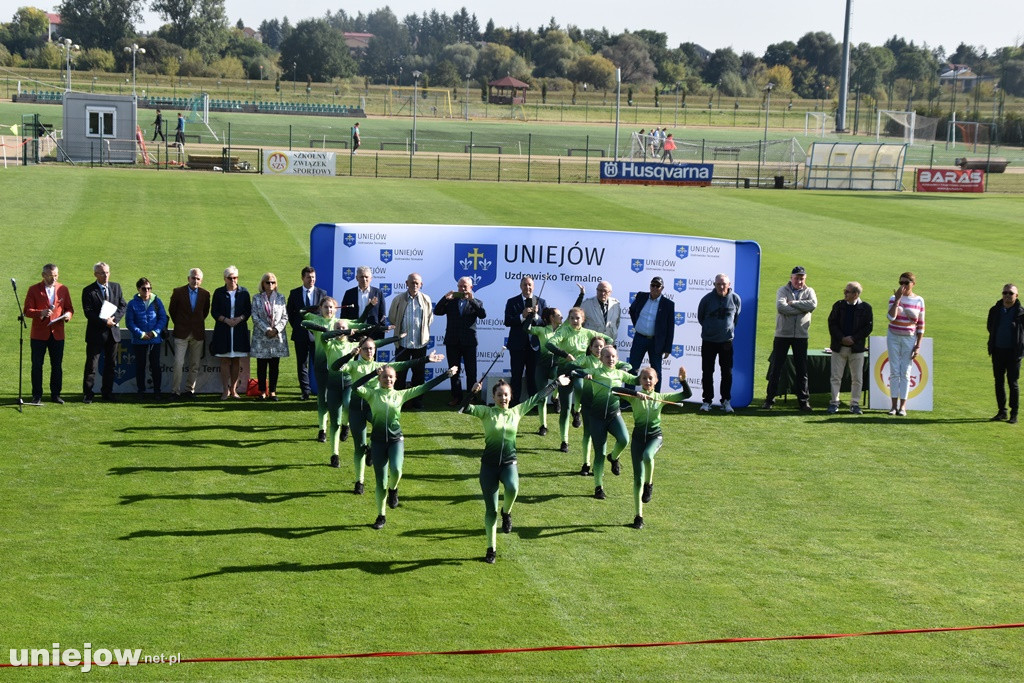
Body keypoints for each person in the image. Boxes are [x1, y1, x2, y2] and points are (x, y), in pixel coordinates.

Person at [460, 376, 566, 564]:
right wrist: (472, 393)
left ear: (511, 396)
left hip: (509, 463)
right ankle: (491, 548)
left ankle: (507, 512)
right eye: (499, 395)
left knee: (513, 489)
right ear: (493, 397)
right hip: (489, 467)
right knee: (490, 511)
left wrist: (556, 383)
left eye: (506, 395)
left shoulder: (517, 412)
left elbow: (536, 397)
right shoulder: (485, 412)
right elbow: (463, 408)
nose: (503, 398)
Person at [352, 365, 459, 529]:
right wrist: (373, 373)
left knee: (396, 470)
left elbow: (424, 387)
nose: (387, 379)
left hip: (396, 440)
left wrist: (446, 375)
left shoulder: (401, 395)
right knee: (380, 483)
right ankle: (381, 516)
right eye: (384, 377)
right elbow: (355, 386)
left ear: (395, 379)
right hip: (378, 442)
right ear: (379, 379)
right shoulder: (372, 394)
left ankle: (393, 489)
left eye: (390, 377)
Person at [336, 336, 441, 493]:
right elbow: (335, 367)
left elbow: (403, 364)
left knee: (382, 429)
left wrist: (426, 359)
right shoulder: (354, 365)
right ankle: (359, 481)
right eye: (365, 349)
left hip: (373, 409)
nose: (369, 351)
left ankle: (372, 447)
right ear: (360, 350)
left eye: (372, 348)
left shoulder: (381, 366)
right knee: (359, 448)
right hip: (356, 410)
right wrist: (351, 355)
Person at [617, 366, 691, 529]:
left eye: (651, 378)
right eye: (644, 378)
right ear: (640, 381)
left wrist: (683, 381)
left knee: (648, 456)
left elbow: (686, 395)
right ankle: (638, 517)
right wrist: (635, 394)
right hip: (637, 439)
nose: (647, 381)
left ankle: (649, 485)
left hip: (654, 437)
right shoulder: (635, 397)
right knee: (637, 480)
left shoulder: (661, 397)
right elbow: (614, 391)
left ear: (656, 380)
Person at [573, 346, 639, 500]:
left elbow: (636, 380)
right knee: (600, 454)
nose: (610, 359)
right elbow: (574, 371)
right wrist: (585, 374)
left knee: (624, 439)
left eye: (613, 356)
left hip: (614, 415)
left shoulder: (620, 374)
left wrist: (646, 377)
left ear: (617, 358)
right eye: (607, 357)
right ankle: (598, 487)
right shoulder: (595, 372)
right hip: (597, 418)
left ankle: (614, 457)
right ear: (601, 359)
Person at [547, 308, 614, 454]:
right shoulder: (564, 331)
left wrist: (604, 352)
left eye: (577, 318)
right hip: (565, 371)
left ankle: (577, 411)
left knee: (580, 388)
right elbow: (549, 344)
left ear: (583, 319)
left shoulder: (588, 333)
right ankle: (564, 441)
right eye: (571, 318)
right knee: (565, 408)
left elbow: (608, 339)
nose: (574, 321)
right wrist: (564, 355)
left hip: (580, 371)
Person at [763, 266, 817, 411]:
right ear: (791, 278)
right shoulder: (782, 290)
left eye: (802, 278)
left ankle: (804, 401)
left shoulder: (809, 291)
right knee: (776, 368)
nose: (799, 281)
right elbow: (781, 307)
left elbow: (812, 305)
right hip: (782, 334)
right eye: (797, 278)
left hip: (801, 335)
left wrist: (793, 303)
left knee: (802, 369)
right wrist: (802, 308)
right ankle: (769, 399)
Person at [22, 263, 74, 405]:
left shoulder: (63, 289)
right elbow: (27, 311)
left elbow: (69, 308)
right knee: (37, 365)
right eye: (51, 275)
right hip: (39, 335)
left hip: (57, 333)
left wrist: (68, 316)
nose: (54, 278)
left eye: (56, 275)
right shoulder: (33, 290)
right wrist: (41, 313)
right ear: (43, 275)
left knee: (57, 365)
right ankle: (37, 395)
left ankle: (56, 394)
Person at [433, 276, 486, 406]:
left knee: (471, 372)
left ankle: (471, 397)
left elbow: (482, 314)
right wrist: (445, 298)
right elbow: (437, 311)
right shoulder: (451, 301)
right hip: (452, 341)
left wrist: (471, 300)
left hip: (469, 342)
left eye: (465, 287)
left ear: (471, 288)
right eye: (460, 286)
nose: (462, 289)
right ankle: (456, 397)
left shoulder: (476, 302)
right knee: (453, 371)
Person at [81, 261, 127, 403]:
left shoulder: (116, 287)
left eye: (107, 272)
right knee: (91, 366)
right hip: (96, 334)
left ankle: (107, 393)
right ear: (95, 274)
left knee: (110, 365)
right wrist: (104, 322)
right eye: (102, 273)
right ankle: (88, 394)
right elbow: (88, 312)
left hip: (113, 332)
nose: (105, 275)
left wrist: (114, 319)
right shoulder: (88, 290)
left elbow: (122, 305)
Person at [826, 282, 873, 415]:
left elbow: (867, 328)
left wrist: (853, 338)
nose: (845, 293)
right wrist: (842, 338)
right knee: (836, 377)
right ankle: (834, 402)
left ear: (856, 294)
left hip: (856, 348)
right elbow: (832, 323)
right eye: (845, 291)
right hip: (839, 347)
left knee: (857, 378)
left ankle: (854, 404)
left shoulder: (866, 308)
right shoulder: (838, 305)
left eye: (847, 291)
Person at [388, 272, 434, 408]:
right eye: (411, 282)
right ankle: (398, 400)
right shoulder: (398, 299)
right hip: (402, 343)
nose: (414, 285)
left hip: (420, 344)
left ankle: (417, 400)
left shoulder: (426, 299)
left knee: (418, 375)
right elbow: (392, 317)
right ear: (406, 283)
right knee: (400, 374)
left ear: (421, 285)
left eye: (417, 283)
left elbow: (429, 319)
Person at [696, 273, 741, 413]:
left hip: (726, 342)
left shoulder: (735, 299)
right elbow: (701, 317)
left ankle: (726, 401)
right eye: (718, 284)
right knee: (707, 372)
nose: (721, 287)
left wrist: (726, 331)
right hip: (709, 341)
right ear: (714, 285)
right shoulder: (707, 299)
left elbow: (735, 318)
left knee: (727, 373)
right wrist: (711, 330)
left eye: (724, 284)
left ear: (729, 285)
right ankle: (707, 401)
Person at [503, 275, 547, 405]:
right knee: (516, 375)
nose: (527, 287)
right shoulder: (512, 301)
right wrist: (522, 316)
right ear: (520, 286)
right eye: (525, 284)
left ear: (533, 287)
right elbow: (507, 321)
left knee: (532, 376)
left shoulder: (541, 302)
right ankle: (514, 402)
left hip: (534, 346)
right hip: (517, 345)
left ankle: (532, 403)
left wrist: (536, 316)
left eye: (530, 285)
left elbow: (544, 324)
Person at [886, 272, 925, 416]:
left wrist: (918, 345)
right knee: (894, 371)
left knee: (906, 372)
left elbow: (921, 324)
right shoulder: (893, 298)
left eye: (906, 283)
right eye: (900, 283)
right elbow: (891, 317)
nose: (903, 286)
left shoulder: (919, 300)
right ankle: (893, 406)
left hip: (909, 337)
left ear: (913, 284)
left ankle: (903, 406)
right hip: (893, 336)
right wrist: (897, 300)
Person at [168, 268, 210, 399]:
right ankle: (175, 391)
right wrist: (181, 324)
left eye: (198, 279)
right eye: (193, 278)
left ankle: (189, 390)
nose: (195, 281)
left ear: (201, 280)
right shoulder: (178, 292)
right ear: (188, 278)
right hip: (181, 333)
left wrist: (195, 323)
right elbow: (172, 311)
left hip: (197, 333)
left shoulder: (205, 294)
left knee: (194, 364)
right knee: (178, 363)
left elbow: (205, 312)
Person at [628, 276, 675, 392]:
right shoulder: (641, 296)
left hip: (656, 342)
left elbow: (670, 328)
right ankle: (627, 398)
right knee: (632, 368)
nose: (654, 288)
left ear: (662, 288)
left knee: (656, 371)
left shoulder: (668, 304)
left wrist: (668, 348)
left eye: (657, 286)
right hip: (639, 338)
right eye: (652, 285)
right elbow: (632, 310)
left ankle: (655, 399)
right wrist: (638, 324)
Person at [210, 266, 251, 399]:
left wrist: (239, 319)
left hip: (239, 330)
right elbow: (214, 311)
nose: (233, 280)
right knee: (225, 359)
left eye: (235, 277)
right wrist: (226, 320)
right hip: (223, 330)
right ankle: (224, 390)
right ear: (225, 279)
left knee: (236, 360)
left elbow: (248, 311)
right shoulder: (218, 292)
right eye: (230, 278)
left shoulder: (244, 292)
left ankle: (233, 390)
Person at [286, 266, 326, 401]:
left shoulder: (322, 293)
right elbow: (290, 313)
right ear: (303, 278)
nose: (311, 280)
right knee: (302, 364)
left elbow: (324, 314)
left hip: (317, 336)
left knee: (318, 364)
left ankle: (321, 391)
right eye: (309, 277)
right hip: (300, 335)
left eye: (313, 277)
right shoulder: (294, 293)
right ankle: (305, 391)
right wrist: (298, 327)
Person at [124, 277, 168, 398]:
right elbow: (129, 322)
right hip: (139, 340)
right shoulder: (132, 303)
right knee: (140, 365)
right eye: (144, 288)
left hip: (155, 339)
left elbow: (163, 318)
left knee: (155, 366)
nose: (147, 291)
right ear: (138, 289)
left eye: (149, 288)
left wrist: (155, 332)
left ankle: (157, 391)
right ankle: (141, 390)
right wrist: (141, 334)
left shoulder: (156, 301)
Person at [525, 307, 565, 436]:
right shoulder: (541, 330)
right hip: (542, 366)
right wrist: (531, 315)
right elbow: (526, 328)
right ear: (552, 318)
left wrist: (581, 295)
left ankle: (555, 397)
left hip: (556, 366)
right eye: (559, 315)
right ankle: (543, 426)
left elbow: (575, 312)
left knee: (559, 380)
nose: (562, 317)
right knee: (542, 397)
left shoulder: (563, 330)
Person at [250, 272, 289, 400]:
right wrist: (266, 329)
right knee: (261, 365)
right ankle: (262, 391)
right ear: (263, 284)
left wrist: (276, 329)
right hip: (262, 336)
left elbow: (285, 316)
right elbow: (254, 316)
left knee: (274, 366)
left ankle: (272, 391)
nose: (270, 284)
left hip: (276, 337)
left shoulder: (281, 298)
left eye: (273, 282)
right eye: (268, 282)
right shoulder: (256, 298)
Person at [987, 284, 1023, 424]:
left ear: (1016, 296)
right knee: (999, 381)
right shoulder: (995, 310)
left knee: (1013, 383)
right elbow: (990, 327)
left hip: (1014, 353)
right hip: (997, 351)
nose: (1007, 295)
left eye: (1010, 293)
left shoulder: (1021, 313)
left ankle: (1014, 414)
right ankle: (1002, 411)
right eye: (1005, 293)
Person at [581, 281, 621, 345]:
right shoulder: (586, 304)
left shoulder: (616, 304)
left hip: (609, 344)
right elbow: (580, 325)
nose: (602, 293)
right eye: (600, 290)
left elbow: (617, 323)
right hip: (591, 345)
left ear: (610, 292)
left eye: (605, 291)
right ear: (596, 290)